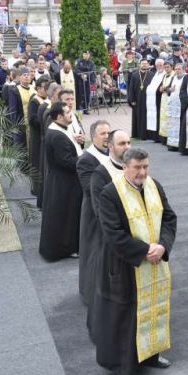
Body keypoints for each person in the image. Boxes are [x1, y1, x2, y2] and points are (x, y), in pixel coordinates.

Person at [94, 148, 177, 375]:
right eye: (138, 168)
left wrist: (162, 246)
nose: (143, 172)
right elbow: (112, 234)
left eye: (146, 167)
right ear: (125, 166)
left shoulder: (154, 186)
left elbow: (170, 218)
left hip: (155, 262)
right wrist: (144, 252)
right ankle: (126, 367)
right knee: (128, 316)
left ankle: (152, 356)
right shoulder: (110, 193)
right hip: (126, 266)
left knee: (154, 309)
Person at [85, 129, 130, 343]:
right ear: (110, 147)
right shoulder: (101, 174)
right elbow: (100, 212)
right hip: (114, 244)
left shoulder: (137, 170)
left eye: (129, 142)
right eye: (122, 143)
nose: (127, 147)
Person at [39, 102, 83, 261]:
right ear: (59, 117)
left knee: (64, 215)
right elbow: (67, 161)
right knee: (67, 215)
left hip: (62, 180)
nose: (71, 114)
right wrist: (85, 160)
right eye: (67, 112)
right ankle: (67, 248)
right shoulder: (56, 135)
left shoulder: (58, 129)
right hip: (64, 183)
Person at [76, 119, 111, 309]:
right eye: (103, 134)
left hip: (108, 212)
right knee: (93, 254)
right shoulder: (86, 159)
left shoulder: (111, 155)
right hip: (93, 214)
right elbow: (91, 191)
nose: (107, 137)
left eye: (108, 133)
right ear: (93, 136)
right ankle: (90, 294)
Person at [28, 76, 51, 196]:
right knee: (36, 161)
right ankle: (36, 189)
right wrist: (45, 121)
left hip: (44, 134)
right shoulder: (35, 101)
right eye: (44, 87)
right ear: (38, 88)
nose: (46, 90)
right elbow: (32, 119)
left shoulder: (46, 100)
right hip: (37, 135)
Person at [128, 59, 151, 140]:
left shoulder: (151, 74)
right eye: (142, 63)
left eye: (146, 63)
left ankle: (148, 134)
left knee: (147, 117)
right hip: (137, 99)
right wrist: (132, 100)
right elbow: (131, 88)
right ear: (139, 65)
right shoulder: (135, 75)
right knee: (138, 117)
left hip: (148, 100)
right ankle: (138, 134)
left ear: (148, 65)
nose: (144, 65)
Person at [144, 59, 165, 142]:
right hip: (153, 99)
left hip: (160, 99)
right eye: (157, 65)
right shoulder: (156, 74)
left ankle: (159, 137)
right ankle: (154, 136)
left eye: (160, 65)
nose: (159, 67)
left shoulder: (164, 74)